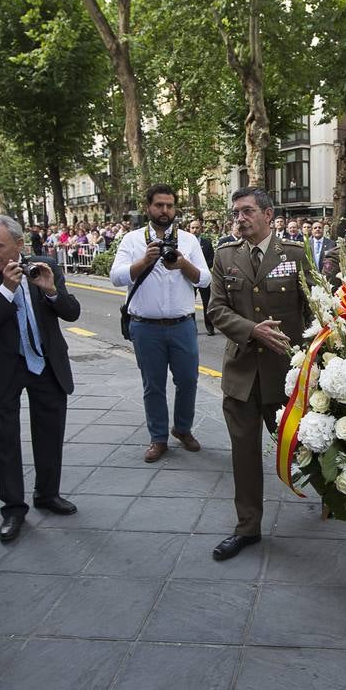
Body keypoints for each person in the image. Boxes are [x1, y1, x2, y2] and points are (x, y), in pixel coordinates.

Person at [206, 188, 310, 561]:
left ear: (268, 215)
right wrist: (252, 330)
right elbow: (215, 310)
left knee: (304, 447)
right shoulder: (225, 256)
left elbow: (315, 312)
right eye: (236, 212)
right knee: (244, 455)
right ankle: (247, 527)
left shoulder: (296, 255)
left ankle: (337, 494)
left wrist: (315, 362)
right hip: (242, 375)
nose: (240, 218)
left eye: (247, 211)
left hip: (285, 375)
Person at [0, 215, 81, 544]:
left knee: (50, 430)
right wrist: (7, 288)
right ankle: (13, 507)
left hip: (45, 363)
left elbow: (71, 312)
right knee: (7, 438)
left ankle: (48, 493)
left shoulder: (44, 266)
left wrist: (50, 292)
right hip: (2, 366)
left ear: (19, 245)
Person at [110, 184, 210, 463]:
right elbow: (116, 277)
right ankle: (158, 438)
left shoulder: (189, 240)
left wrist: (183, 265)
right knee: (152, 384)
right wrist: (144, 261)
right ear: (148, 208)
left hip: (183, 325)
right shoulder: (131, 240)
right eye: (159, 205)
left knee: (188, 380)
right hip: (145, 327)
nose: (165, 211)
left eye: (169, 205)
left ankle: (182, 428)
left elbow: (205, 278)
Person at [188, 219, 217, 335]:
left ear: (201, 229)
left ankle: (210, 327)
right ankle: (192, 328)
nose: (195, 230)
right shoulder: (185, 243)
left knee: (207, 303)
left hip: (204, 277)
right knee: (190, 303)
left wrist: (202, 269)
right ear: (189, 229)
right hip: (189, 277)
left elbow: (211, 259)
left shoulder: (207, 242)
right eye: (192, 228)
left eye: (197, 227)